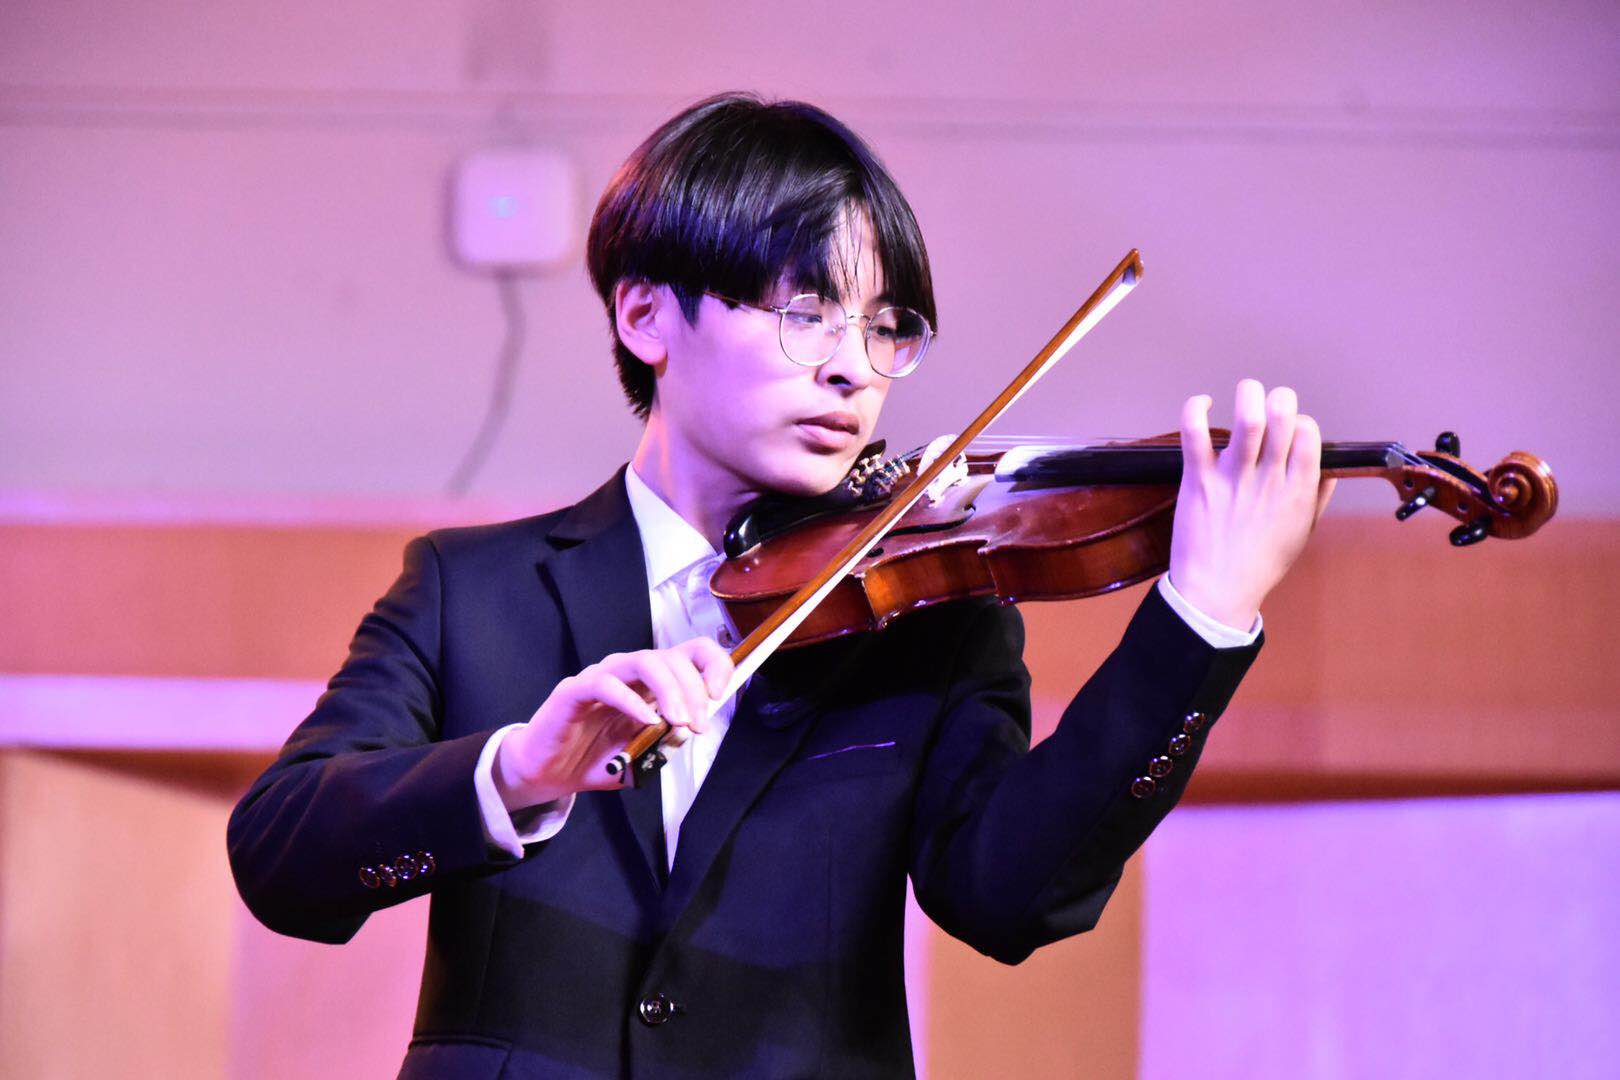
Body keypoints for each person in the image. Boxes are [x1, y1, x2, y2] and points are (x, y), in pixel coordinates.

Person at [228, 92, 1333, 1078]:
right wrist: (520, 769)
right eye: (806, 313)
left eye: (886, 327)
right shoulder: (469, 591)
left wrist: (1202, 617)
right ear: (645, 316)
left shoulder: (929, 614)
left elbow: (1009, 896)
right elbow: (279, 855)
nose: (854, 367)